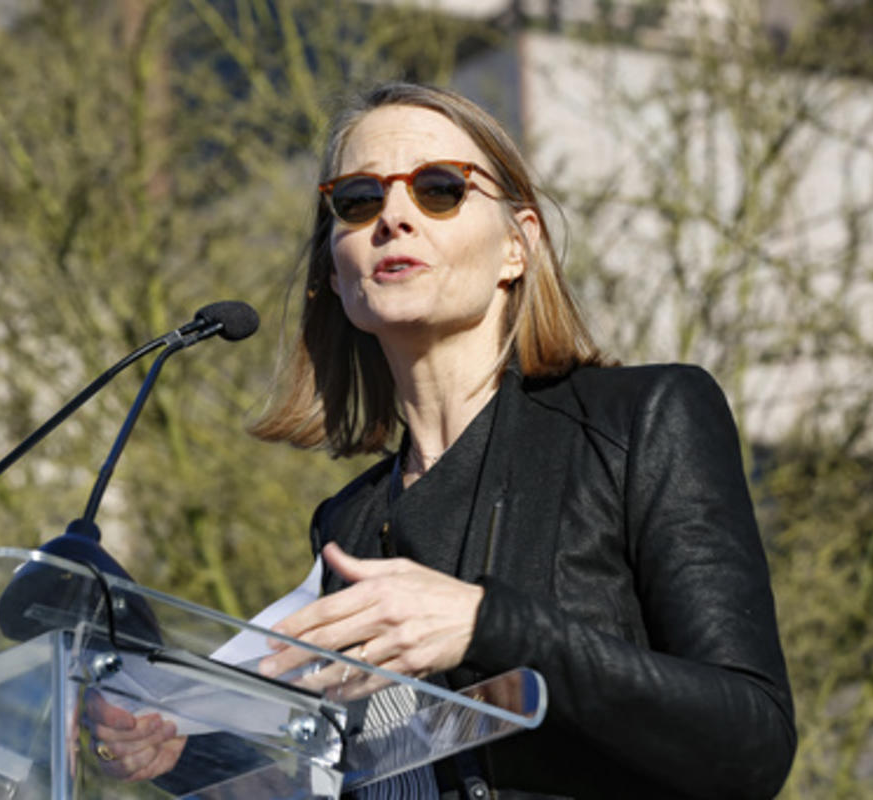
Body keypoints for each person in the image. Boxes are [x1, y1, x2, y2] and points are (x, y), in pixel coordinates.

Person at [245, 81, 796, 798]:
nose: (394, 218)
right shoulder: (345, 524)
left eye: (439, 189)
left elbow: (751, 739)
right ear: (336, 270)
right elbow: (370, 768)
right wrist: (196, 746)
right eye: (359, 199)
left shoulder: (641, 422)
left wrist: (489, 625)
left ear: (517, 244)